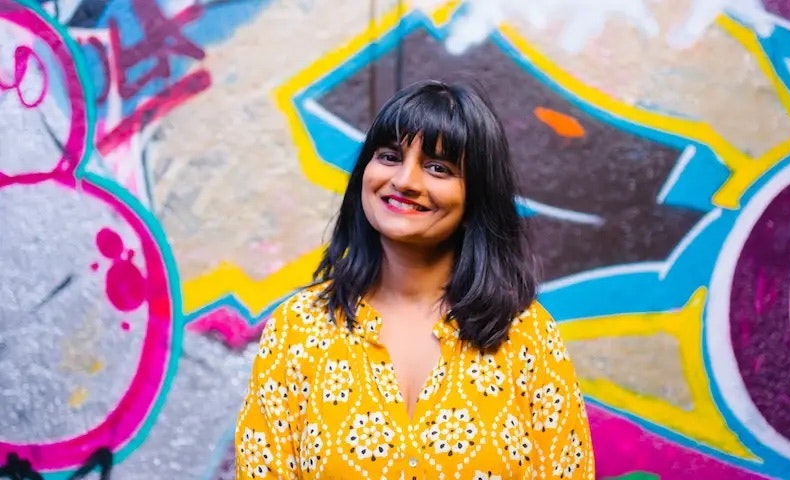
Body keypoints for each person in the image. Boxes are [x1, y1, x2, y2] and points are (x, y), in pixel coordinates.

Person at [234, 80, 595, 479]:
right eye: (389, 156)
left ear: (476, 196)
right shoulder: (298, 328)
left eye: (438, 167)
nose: (405, 181)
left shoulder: (527, 336)